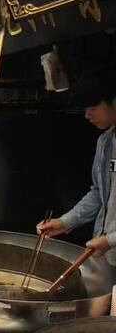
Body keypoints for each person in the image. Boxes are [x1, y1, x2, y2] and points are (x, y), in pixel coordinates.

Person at [37, 68, 116, 265]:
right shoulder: (105, 143)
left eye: (92, 107)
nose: (87, 115)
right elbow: (99, 194)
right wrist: (65, 222)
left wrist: (111, 240)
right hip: (109, 255)